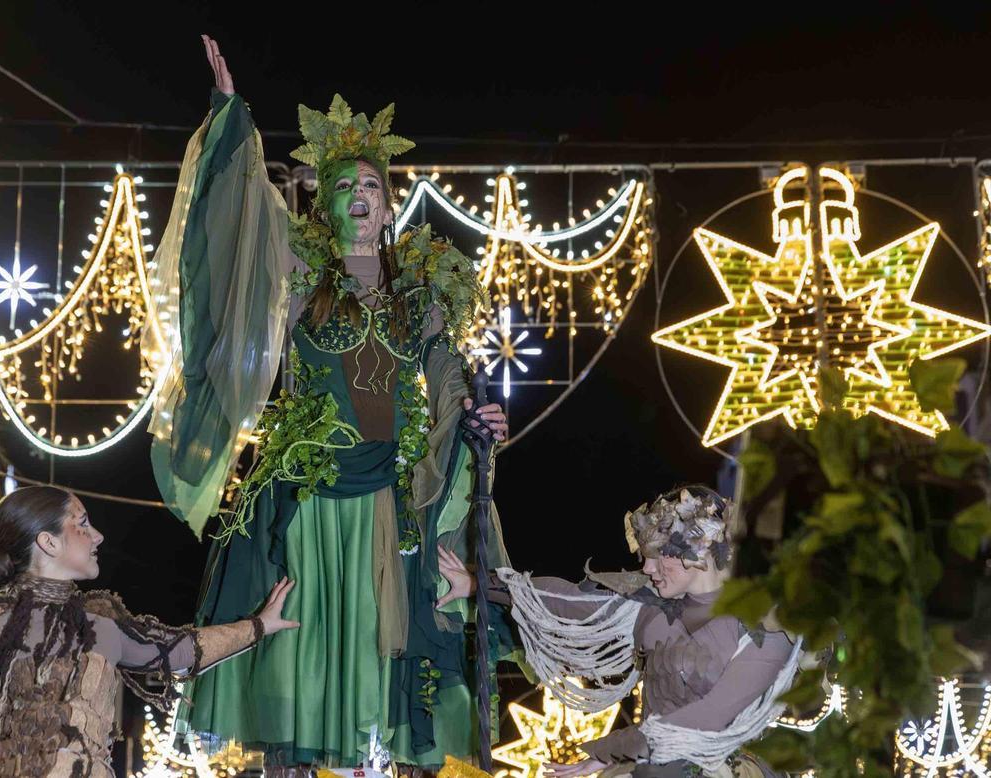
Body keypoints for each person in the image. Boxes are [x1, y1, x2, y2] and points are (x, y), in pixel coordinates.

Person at [144, 35, 514, 769]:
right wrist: (229, 119)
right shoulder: (297, 270)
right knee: (305, 632)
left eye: (371, 187)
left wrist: (475, 412)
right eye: (345, 187)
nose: (360, 198)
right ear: (324, 198)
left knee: (389, 630)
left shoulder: (420, 291)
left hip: (392, 491)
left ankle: (374, 757)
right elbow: (235, 217)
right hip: (312, 487)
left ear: (388, 205)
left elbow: (444, 375)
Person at [0, 485, 297, 778]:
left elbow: (181, 653)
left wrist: (260, 625)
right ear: (48, 542)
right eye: (82, 524)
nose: (98, 536)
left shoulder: (101, 624)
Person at [437, 486, 801, 778]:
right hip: (647, 764)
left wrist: (611, 750)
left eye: (659, 555)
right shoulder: (650, 605)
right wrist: (475, 583)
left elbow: (708, 717)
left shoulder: (765, 624)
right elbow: (564, 600)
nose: (647, 566)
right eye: (646, 555)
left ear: (700, 550)